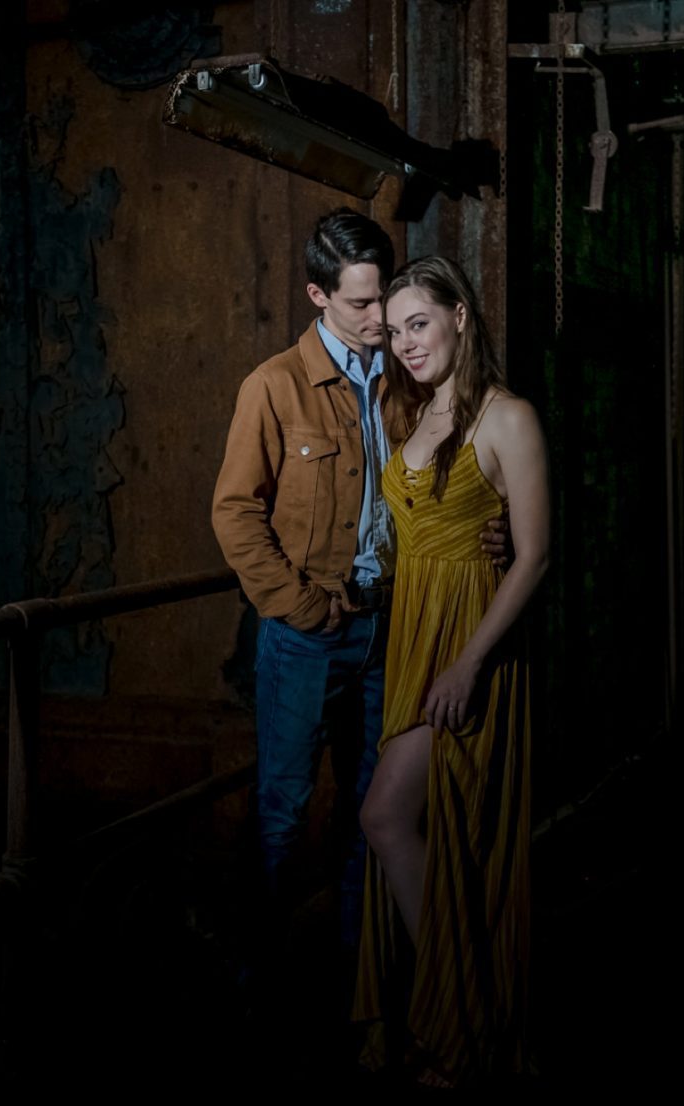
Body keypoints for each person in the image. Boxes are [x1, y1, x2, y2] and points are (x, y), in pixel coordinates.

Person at [210, 211, 508, 965]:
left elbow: (448, 485)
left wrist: (493, 530)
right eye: (362, 303)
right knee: (283, 812)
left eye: (386, 297)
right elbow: (235, 512)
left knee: (371, 811)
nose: (382, 318)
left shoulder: (409, 379)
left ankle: (357, 976)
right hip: (307, 636)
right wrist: (303, 608)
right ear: (319, 295)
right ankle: (256, 979)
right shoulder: (274, 386)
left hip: (393, 628)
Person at [353, 255, 550, 1086]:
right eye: (394, 332)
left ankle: (460, 1022)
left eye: (419, 324)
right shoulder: (410, 408)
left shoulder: (510, 418)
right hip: (412, 636)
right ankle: (463, 1020)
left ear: (461, 317)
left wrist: (470, 664)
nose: (405, 343)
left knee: (388, 816)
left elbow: (534, 555)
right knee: (425, 830)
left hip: (469, 645)